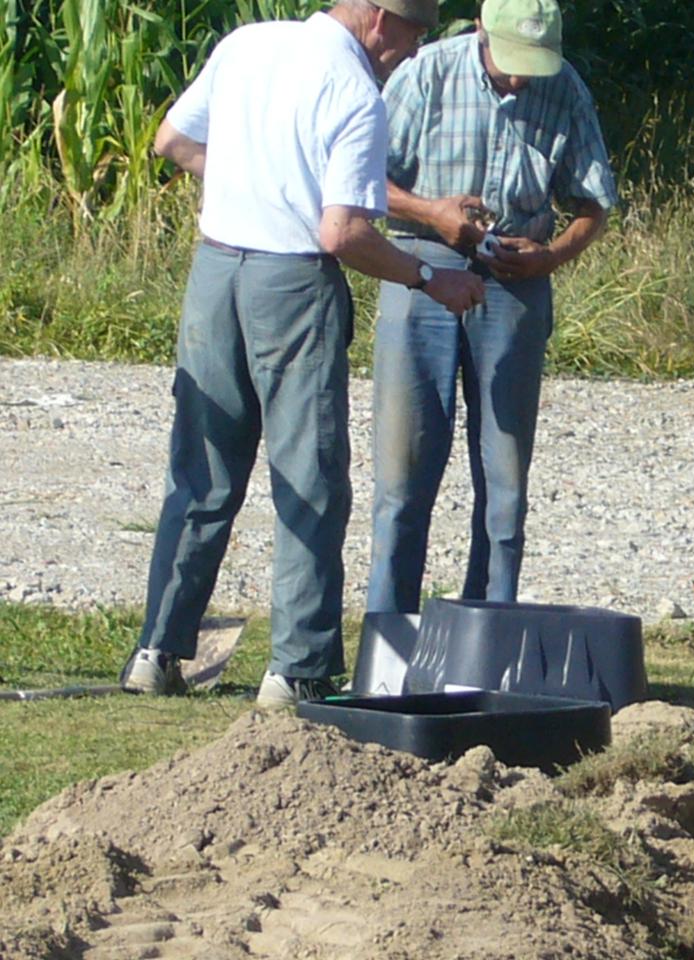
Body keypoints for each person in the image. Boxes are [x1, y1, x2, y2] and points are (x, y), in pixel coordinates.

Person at [119, 0, 486, 706]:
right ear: (381, 19)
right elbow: (342, 233)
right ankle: (299, 667)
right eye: (411, 37)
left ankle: (156, 650)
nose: (410, 54)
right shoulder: (353, 91)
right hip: (290, 283)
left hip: (215, 270)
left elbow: (172, 141)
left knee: (203, 470)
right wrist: (430, 277)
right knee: (309, 474)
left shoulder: (249, 44)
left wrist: (253, 187)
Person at [365, 0, 617, 612]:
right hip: (422, 269)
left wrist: (550, 257)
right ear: (480, 29)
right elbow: (366, 179)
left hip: (516, 279)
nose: (520, 78)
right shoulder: (427, 73)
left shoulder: (564, 88)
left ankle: (491, 625)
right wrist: (434, 214)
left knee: (504, 480)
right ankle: (390, 632)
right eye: (510, 64)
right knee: (404, 475)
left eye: (532, 65)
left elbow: (595, 205)